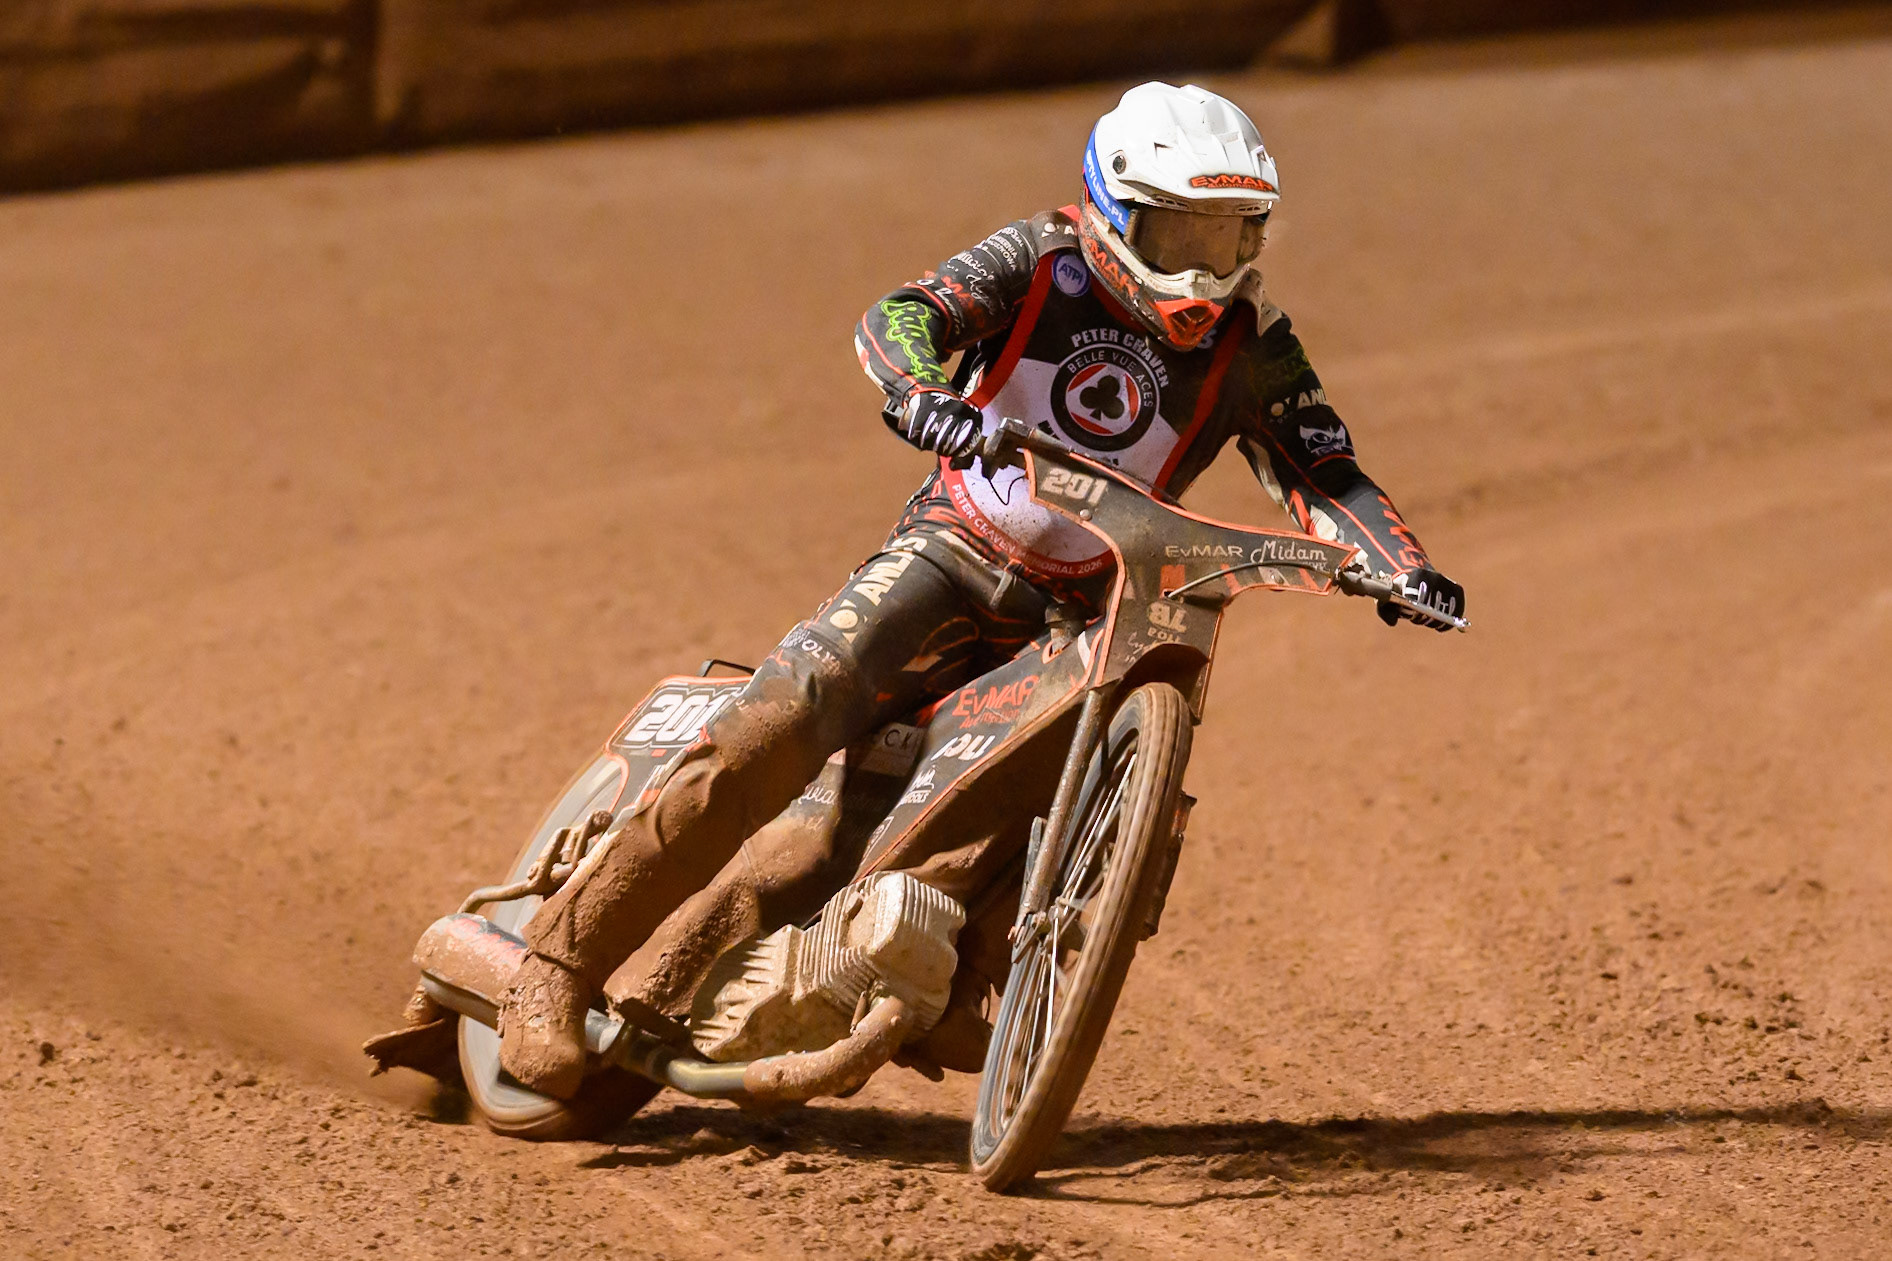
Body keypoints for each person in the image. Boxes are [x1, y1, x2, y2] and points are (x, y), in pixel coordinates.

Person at [499, 81, 1465, 1098]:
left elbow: (1325, 467)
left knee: (993, 803)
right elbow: (901, 319)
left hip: (1081, 609)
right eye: (1178, 230)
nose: (1201, 266)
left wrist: (1397, 562)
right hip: (949, 555)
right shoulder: (1038, 258)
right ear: (1112, 209)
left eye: (1228, 237)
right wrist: (923, 400)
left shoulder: (1251, 342)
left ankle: (941, 972)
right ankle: (551, 971)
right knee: (779, 720)